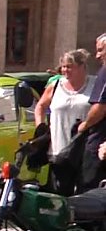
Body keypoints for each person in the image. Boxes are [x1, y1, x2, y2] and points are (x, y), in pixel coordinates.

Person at [34, 49, 95, 195]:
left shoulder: (95, 85)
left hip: (85, 151)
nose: (65, 70)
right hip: (59, 150)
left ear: (82, 67)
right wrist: (40, 127)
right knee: (59, 196)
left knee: (85, 196)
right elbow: (40, 106)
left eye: (70, 66)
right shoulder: (55, 86)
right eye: (63, 66)